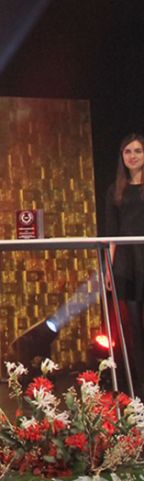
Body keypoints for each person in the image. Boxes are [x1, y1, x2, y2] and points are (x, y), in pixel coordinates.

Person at [104, 133, 144, 395]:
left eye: (138, 151)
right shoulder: (115, 189)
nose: (133, 156)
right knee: (134, 326)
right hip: (127, 263)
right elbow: (111, 233)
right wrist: (109, 267)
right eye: (128, 151)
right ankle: (140, 384)